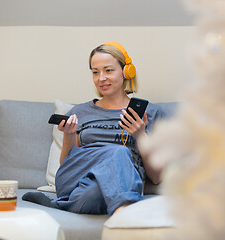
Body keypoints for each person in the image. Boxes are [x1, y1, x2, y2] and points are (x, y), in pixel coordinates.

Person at [23, 41, 164, 215]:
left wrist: (140, 135)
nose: (101, 78)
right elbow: (69, 164)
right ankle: (125, 217)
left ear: (126, 72)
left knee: (97, 190)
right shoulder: (80, 112)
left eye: (108, 70)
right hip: (77, 179)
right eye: (95, 72)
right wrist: (69, 135)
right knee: (117, 152)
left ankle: (62, 205)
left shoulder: (150, 113)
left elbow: (157, 177)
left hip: (114, 185)